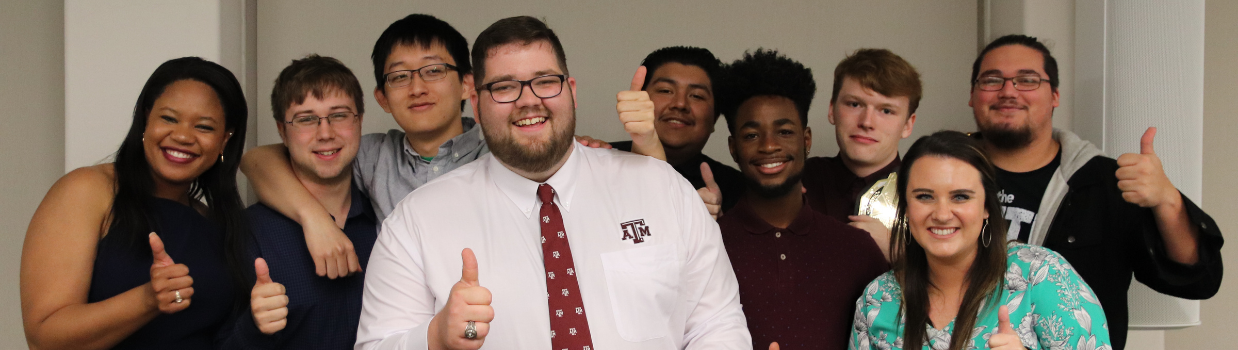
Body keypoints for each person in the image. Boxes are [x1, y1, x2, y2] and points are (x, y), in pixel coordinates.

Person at [355, 16, 749, 350]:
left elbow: (715, 322)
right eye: (504, 87)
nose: (529, 100)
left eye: (544, 81)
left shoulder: (661, 187)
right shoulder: (416, 221)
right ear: (476, 101)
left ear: (571, 91)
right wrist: (433, 338)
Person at [241, 14, 661, 279]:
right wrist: (315, 220)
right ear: (382, 98)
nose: (418, 87)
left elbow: (627, 193)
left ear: (467, 85)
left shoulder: (509, 140)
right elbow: (258, 159)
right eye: (400, 76)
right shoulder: (371, 155)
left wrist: (646, 142)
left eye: (434, 71)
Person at [969, 34, 1223, 349]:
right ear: (972, 95)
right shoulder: (936, 174)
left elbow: (1199, 280)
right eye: (992, 80)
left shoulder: (1107, 183)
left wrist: (1167, 200)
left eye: (1027, 80)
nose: (1009, 91)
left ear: (1055, 95)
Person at [20, 57, 250, 350]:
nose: (182, 136)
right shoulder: (88, 191)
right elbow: (44, 337)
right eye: (168, 118)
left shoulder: (213, 220)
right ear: (145, 119)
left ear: (224, 140)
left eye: (204, 127)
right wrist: (147, 299)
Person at [850, 130, 1110, 350]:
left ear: (987, 206)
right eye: (924, 197)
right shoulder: (877, 299)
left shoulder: (1042, 275)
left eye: (960, 197)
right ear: (905, 207)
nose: (941, 214)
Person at [715, 49, 888, 349]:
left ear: (806, 140)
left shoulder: (857, 250)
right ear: (733, 147)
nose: (769, 145)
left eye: (784, 131)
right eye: (752, 135)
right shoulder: (708, 246)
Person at [216, 55, 379, 349]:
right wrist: (255, 326)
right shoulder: (245, 233)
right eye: (306, 119)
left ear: (360, 121)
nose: (325, 133)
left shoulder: (385, 216)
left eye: (339, 115)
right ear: (282, 131)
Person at [801, 48, 921, 261]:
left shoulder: (928, 193)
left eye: (886, 111)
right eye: (854, 104)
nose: (866, 122)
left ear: (908, 125)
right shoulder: (797, 180)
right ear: (832, 110)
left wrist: (902, 256)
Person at [608, 46, 745, 213]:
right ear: (639, 99)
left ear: (715, 117)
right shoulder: (596, 161)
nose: (680, 104)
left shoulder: (739, 190)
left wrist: (718, 227)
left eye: (696, 96)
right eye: (665, 90)